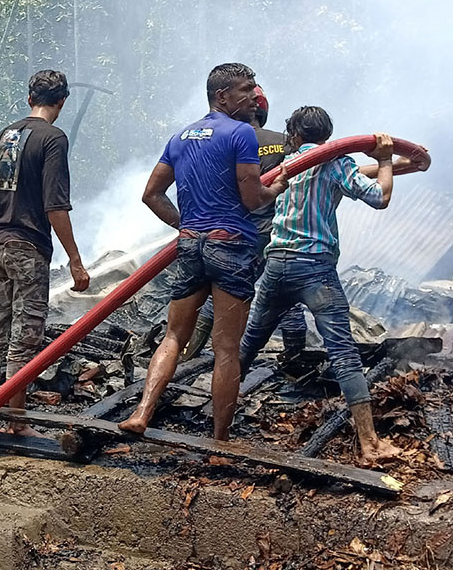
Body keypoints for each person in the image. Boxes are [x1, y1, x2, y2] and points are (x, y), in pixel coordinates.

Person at [239, 107, 427, 465]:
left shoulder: (286, 165)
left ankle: (219, 423)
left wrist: (399, 160)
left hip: (277, 266)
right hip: (315, 270)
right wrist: (387, 160)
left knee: (248, 347)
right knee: (344, 354)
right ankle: (370, 443)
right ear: (327, 137)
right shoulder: (336, 165)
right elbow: (379, 196)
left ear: (293, 135)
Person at [119, 62, 288, 441]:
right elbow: (252, 198)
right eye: (246, 89)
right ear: (222, 96)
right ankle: (220, 439)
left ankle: (142, 413)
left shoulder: (181, 137)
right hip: (231, 246)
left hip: (192, 246)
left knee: (174, 336)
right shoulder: (241, 133)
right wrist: (274, 189)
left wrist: (186, 226)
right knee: (226, 348)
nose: (254, 96)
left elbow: (151, 195)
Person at [0, 70, 90, 436]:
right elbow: (55, 205)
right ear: (62, 101)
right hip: (28, 247)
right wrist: (74, 259)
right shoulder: (53, 139)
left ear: (29, 99)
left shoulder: (2, 136)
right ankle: (17, 421)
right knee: (26, 334)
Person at [183, 87, 307, 362]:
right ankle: (296, 358)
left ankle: (189, 355)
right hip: (274, 231)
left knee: (221, 293)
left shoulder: (224, 142)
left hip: (232, 232)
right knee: (284, 292)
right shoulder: (286, 143)